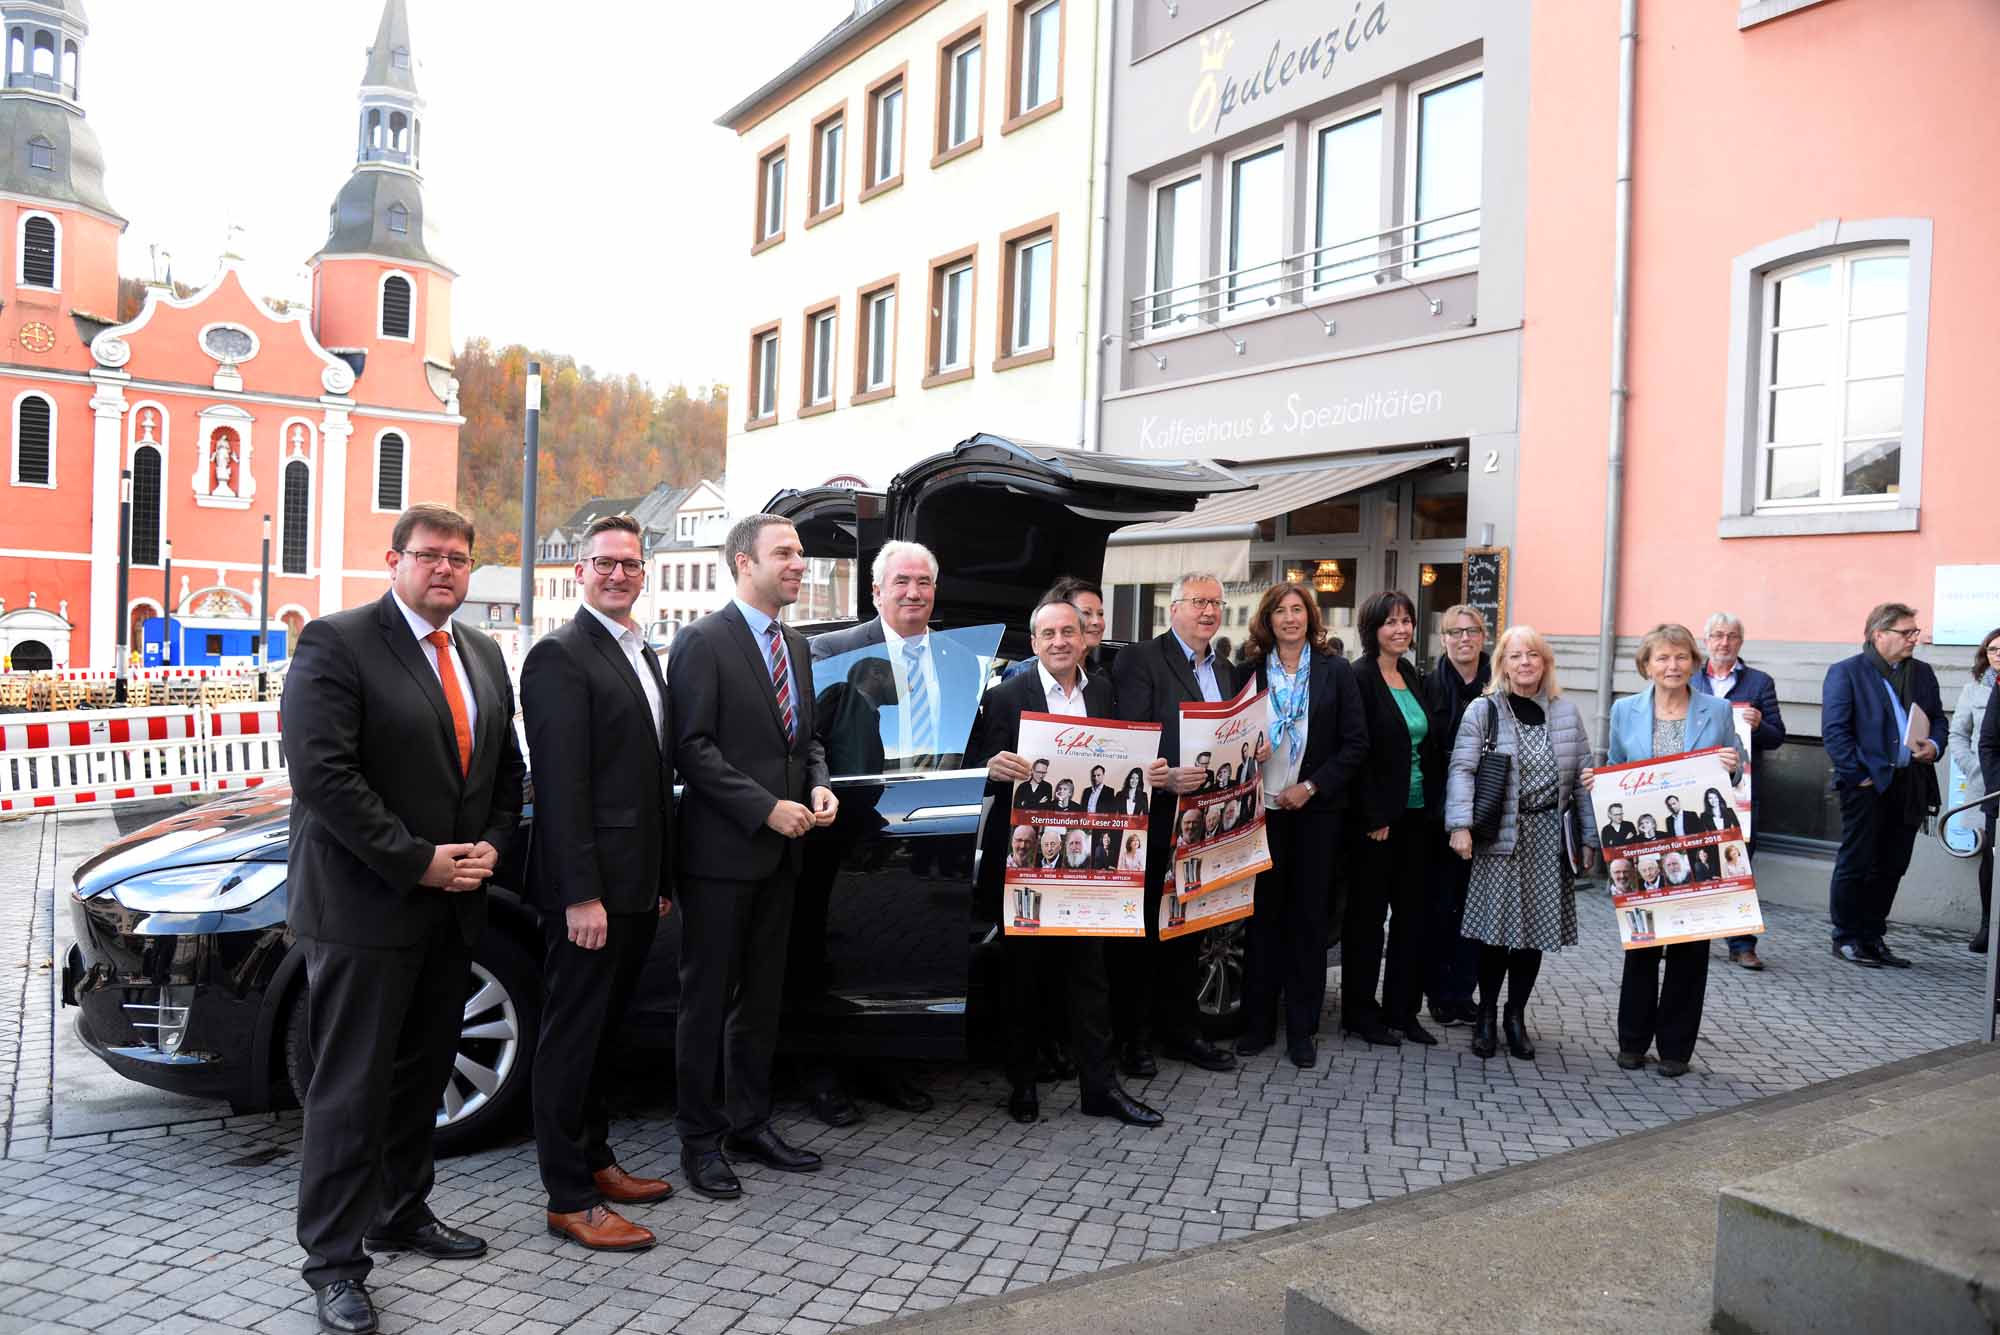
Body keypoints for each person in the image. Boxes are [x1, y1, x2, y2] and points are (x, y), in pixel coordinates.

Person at [281, 503, 527, 1335]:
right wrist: (417, 859)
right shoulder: (338, 642)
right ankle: (334, 1262)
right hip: (365, 907)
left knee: (420, 1078)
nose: (445, 568)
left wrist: (493, 844)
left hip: (454, 906)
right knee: (349, 1090)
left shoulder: (482, 653)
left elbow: (504, 770)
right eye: (430, 554)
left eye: (459, 556)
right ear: (395, 561)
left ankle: (400, 1211)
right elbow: (324, 775)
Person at [668, 514, 837, 1200]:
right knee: (706, 1004)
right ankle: (698, 1141)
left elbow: (806, 738)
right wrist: (765, 806)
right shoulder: (702, 640)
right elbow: (691, 748)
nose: (800, 563)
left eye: (800, 553)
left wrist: (819, 782)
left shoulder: (795, 644)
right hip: (720, 856)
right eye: (785, 553)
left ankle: (749, 1123)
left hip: (782, 857)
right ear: (744, 562)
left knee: (761, 1003)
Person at [521, 514, 676, 1254]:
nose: (619, 574)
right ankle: (568, 1197)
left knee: (606, 1033)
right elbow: (561, 786)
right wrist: (580, 893)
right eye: (605, 563)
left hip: (637, 885)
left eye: (630, 564)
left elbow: (652, 778)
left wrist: (660, 879)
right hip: (590, 893)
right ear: (580, 571)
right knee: (571, 1038)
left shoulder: (642, 651)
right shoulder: (559, 655)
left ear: (644, 573)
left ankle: (595, 1159)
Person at [968, 597, 1165, 1127]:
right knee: (1022, 977)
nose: (1059, 642)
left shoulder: (1103, 692)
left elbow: (1122, 761)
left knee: (1090, 976)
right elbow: (979, 770)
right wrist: (992, 767)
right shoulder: (1006, 698)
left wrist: (1150, 770)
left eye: (1068, 632)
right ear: (1034, 643)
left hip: (1089, 862)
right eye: (1048, 634)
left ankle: (1099, 1088)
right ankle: (1022, 1084)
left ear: (1083, 639)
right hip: (1026, 861)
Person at [1110, 571, 1262, 1076]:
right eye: (1198, 602)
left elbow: (1231, 733)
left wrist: (1253, 747)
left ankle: (1183, 1033)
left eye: (1216, 603)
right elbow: (1131, 735)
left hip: (1207, 826)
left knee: (1189, 932)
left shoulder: (1227, 670)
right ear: (1173, 607)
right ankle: (1134, 1041)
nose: (1209, 611)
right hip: (1156, 819)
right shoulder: (1141, 659)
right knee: (1143, 937)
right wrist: (1166, 775)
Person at [1583, 623, 1744, 1079]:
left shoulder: (1717, 709)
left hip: (1696, 845)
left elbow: (1734, 770)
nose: (1672, 666)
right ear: (1647, 665)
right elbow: (1617, 766)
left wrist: (1733, 765)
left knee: (1690, 948)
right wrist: (1600, 780)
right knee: (1643, 945)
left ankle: (1675, 1049)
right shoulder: (1625, 710)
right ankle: (1632, 1043)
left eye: (1681, 657)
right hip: (1641, 845)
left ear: (1694, 662)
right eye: (1662, 658)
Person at [1445, 626, 1593, 1063]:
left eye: (1533, 655)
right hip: (1501, 836)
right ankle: (1487, 1013)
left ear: (1545, 663)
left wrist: (1588, 837)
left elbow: (1582, 780)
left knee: (1534, 936)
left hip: (1548, 837)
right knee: (1495, 935)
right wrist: (1460, 825)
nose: (1525, 662)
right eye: (1515, 655)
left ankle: (1515, 1015)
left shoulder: (1566, 713)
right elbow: (1462, 770)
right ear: (1502, 665)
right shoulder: (1484, 710)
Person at [1237, 583, 1367, 1067]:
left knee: (1309, 923)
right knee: (1261, 922)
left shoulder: (1336, 671)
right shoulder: (1249, 672)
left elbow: (1356, 743)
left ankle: (1301, 1029)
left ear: (1310, 618)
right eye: (1280, 611)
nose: (1289, 618)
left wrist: (1311, 787)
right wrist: (1247, 752)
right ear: (1267, 620)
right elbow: (1226, 735)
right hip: (1260, 815)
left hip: (1315, 815)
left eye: (1298, 610)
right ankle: (1256, 1025)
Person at [1822, 602, 1947, 969]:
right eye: (1906, 632)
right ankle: (1846, 937)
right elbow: (1835, 732)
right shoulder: (1847, 672)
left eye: (1915, 632)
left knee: (1892, 864)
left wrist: (1934, 745)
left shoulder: (1921, 673)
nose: (1913, 639)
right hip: (1866, 784)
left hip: (1910, 782)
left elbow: (1938, 719)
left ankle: (1872, 936)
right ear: (1879, 634)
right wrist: (1858, 776)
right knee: (1857, 861)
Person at [1346, 591, 1446, 1047]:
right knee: (1368, 921)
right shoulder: (1359, 677)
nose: (1401, 629)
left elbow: (1424, 745)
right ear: (1373, 629)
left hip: (1417, 816)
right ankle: (1361, 1014)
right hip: (1377, 822)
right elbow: (1356, 751)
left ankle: (1402, 1011)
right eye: (1391, 622)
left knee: (1413, 918)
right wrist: (1373, 814)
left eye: (1406, 621)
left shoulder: (1410, 674)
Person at [810, 541, 984, 764]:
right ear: (878, 592)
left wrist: (987, 765)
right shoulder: (836, 652)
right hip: (864, 787)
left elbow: (973, 741)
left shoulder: (961, 659)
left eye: (924, 582)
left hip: (941, 786)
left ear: (934, 590)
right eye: (901, 581)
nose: (913, 593)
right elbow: (814, 741)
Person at [1690, 612, 1786, 970]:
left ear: (1740, 642)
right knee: (1691, 858)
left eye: (1731, 636)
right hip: (1693, 784)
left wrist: (1760, 725)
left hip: (1740, 790)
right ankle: (1683, 936)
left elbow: (1777, 736)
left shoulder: (1759, 682)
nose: (1724, 642)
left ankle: (1741, 944)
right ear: (1706, 641)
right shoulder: (1689, 678)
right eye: (1717, 635)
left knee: (1737, 863)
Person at [1421, 604, 1490, 1028]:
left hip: (1487, 810)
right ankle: (1438, 991)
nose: (1464, 639)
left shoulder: (1500, 685)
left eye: (1472, 631)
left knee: (1476, 904)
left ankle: (1465, 991)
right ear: (1443, 639)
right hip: (1435, 812)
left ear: (1484, 636)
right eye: (1455, 632)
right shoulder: (1427, 686)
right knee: (1439, 905)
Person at [1946, 627, 1999, 952]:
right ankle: (1987, 926)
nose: (1998, 655)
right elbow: (1958, 735)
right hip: (1985, 786)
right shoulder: (1973, 689)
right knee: (1990, 857)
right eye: (1992, 650)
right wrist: (1972, 767)